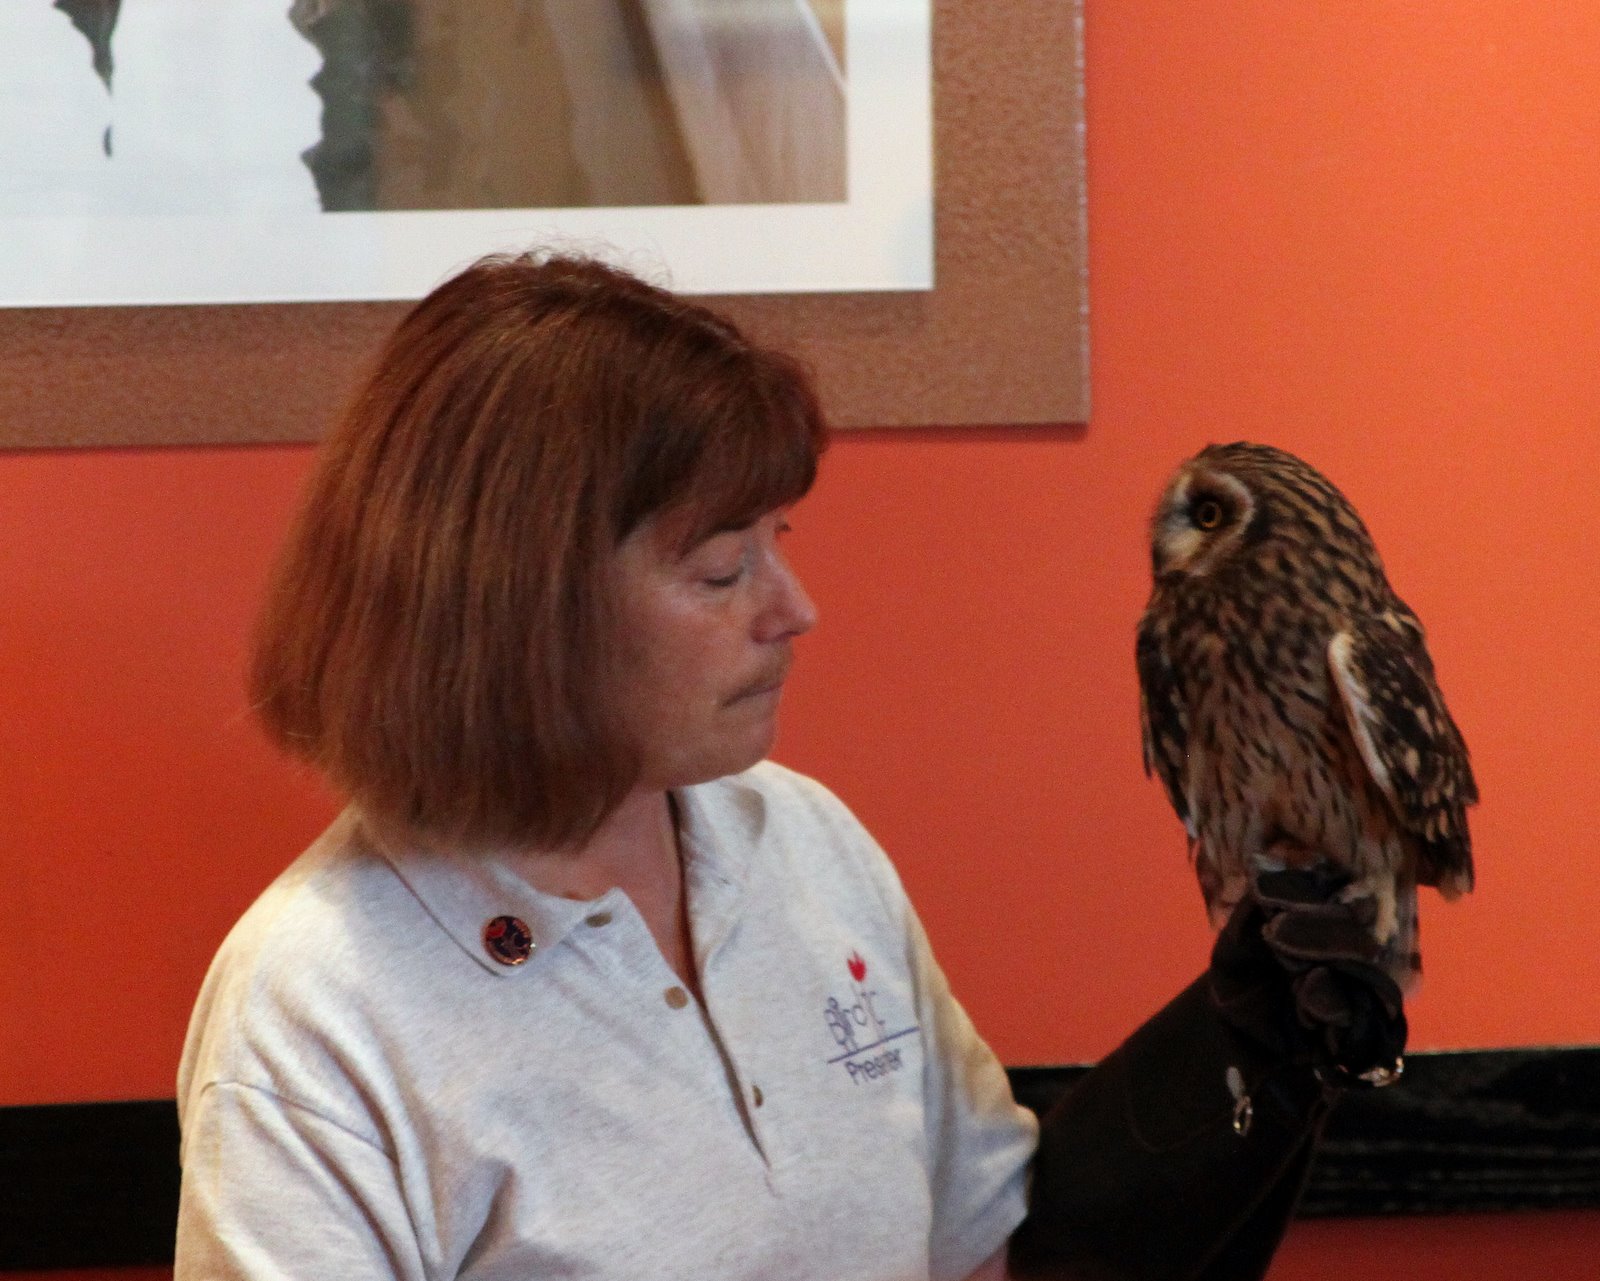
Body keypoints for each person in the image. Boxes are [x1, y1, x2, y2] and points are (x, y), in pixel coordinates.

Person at [175, 251, 1405, 1280]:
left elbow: (986, 1254)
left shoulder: (800, 845)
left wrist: (1235, 1060)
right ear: (517, 609)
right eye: (721, 571)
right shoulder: (316, 1013)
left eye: (781, 542)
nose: (794, 608)